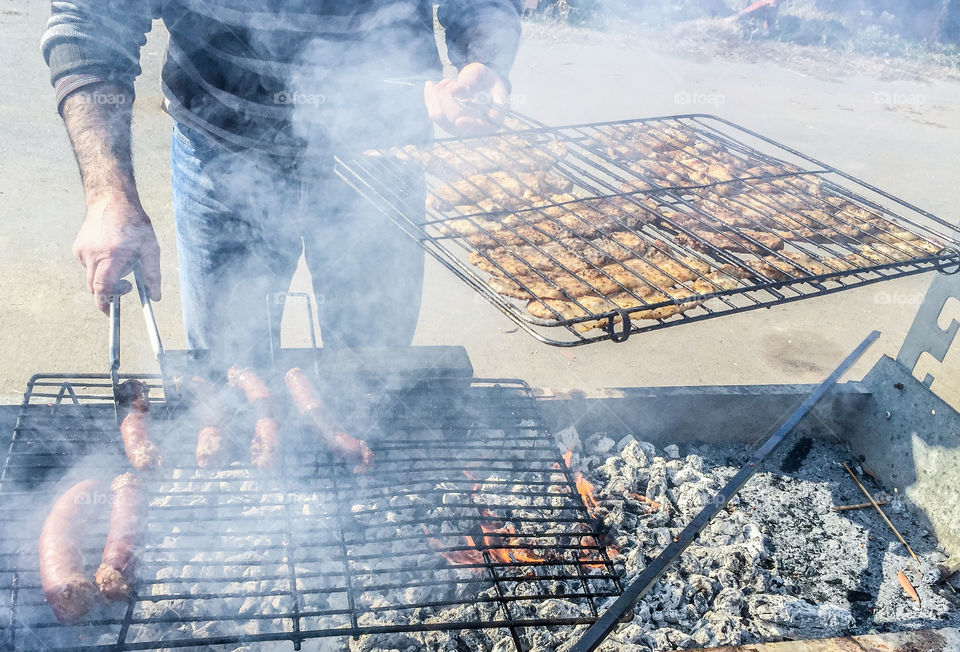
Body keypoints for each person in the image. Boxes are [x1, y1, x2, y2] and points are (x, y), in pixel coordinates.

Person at [42, 1, 522, 366]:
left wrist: (484, 54)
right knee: (230, 374)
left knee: (374, 373)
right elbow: (90, 26)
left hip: (382, 159)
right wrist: (108, 195)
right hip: (220, 160)